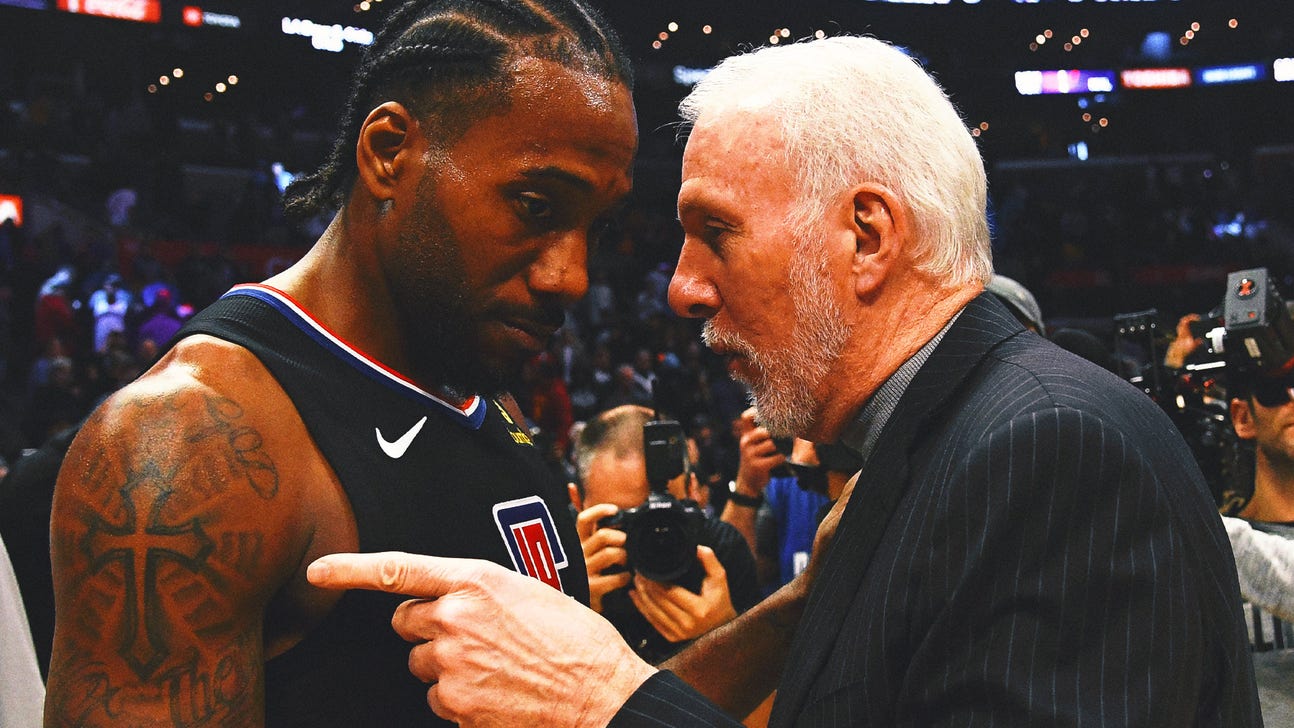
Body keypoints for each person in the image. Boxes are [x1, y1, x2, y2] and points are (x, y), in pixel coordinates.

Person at [309, 35, 1260, 727]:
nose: (680, 288)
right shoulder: (936, 455)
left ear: (867, 238)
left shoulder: (1049, 450)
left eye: (714, 231)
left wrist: (610, 698)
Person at [44, 1, 637, 725]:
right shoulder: (184, 435)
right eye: (536, 206)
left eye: (595, 229)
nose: (572, 276)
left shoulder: (468, 376)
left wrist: (794, 612)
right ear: (389, 152)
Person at [570, 404, 759, 664]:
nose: (650, 534)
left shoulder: (720, 553)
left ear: (693, 491)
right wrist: (575, 611)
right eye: (624, 519)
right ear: (577, 502)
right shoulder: (560, 569)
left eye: (665, 514)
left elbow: (770, 700)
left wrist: (724, 635)